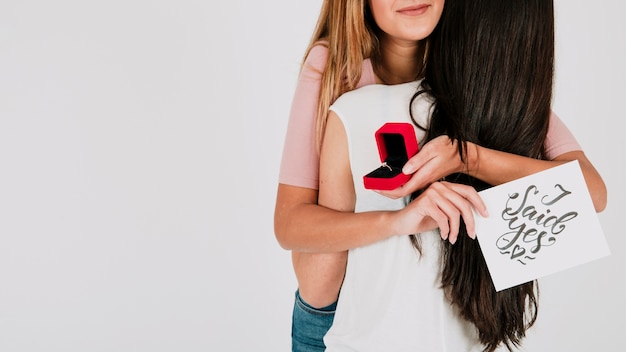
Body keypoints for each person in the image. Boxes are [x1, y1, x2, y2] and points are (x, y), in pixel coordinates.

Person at [274, 0, 607, 351]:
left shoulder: (474, 65)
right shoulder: (336, 69)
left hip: (435, 315)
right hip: (334, 313)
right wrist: (398, 221)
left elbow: (592, 193)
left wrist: (466, 158)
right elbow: (290, 225)